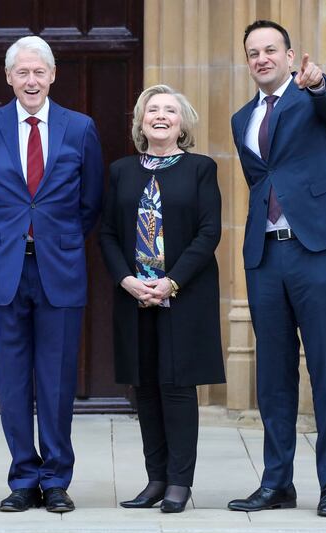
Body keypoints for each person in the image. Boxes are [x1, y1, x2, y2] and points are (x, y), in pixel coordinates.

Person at [227, 20, 326, 518]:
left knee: (325, 366)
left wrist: (319, 83)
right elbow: (261, 180)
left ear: (291, 57)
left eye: (271, 50)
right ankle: (277, 482)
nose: (262, 58)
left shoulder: (315, 98)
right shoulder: (242, 116)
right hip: (265, 255)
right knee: (272, 374)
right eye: (253, 52)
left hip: (318, 251)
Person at [0, 35, 103, 513]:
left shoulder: (80, 128)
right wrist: (5, 241)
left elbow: (90, 203)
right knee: (13, 379)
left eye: (39, 72)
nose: (32, 80)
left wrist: (51, 239)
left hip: (59, 268)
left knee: (57, 379)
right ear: (9, 78)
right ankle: (23, 477)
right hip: (2, 271)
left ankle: (56, 478)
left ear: (53, 75)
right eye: (23, 72)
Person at [99, 85, 224, 514]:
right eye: (152, 109)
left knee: (176, 387)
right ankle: (155, 479)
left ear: (183, 122)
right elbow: (108, 233)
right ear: (140, 121)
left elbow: (209, 232)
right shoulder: (120, 171)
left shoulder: (201, 169)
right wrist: (126, 280)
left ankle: (179, 484)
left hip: (182, 295)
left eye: (170, 110)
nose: (161, 116)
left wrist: (171, 282)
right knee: (146, 387)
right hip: (135, 296)